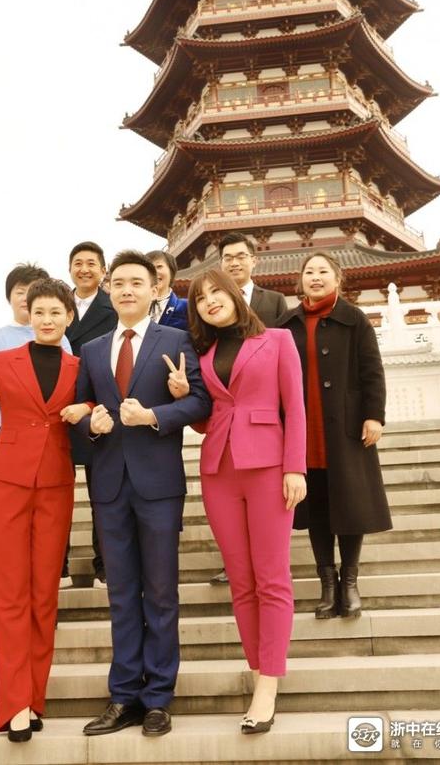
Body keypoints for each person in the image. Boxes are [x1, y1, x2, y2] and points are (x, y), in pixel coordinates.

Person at [75, 250, 211, 738]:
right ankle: (123, 696)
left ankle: (157, 698)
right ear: (109, 291)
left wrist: (157, 414)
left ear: (156, 289)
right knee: (120, 595)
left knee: (160, 592)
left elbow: (201, 402)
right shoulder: (92, 350)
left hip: (158, 486)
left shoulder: (176, 340)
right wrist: (90, 425)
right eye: (119, 283)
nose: (127, 290)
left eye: (137, 282)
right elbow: (80, 411)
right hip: (109, 485)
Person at [0, 278, 91, 742]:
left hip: (55, 483)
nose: (47, 320)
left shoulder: (78, 365)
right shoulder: (4, 359)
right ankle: (13, 705)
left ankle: (34, 698)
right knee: (11, 594)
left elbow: (94, 403)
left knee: (44, 596)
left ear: (69, 317)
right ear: (28, 315)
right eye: (39, 312)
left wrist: (86, 407)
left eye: (56, 312)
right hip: (8, 483)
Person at [175, 268, 306, 734]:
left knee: (272, 579)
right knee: (241, 582)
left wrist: (295, 467)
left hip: (269, 465)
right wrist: (183, 394)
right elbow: (208, 418)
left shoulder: (277, 340)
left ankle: (267, 685)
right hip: (219, 470)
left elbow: (295, 405)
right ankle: (257, 671)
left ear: (234, 294)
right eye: (200, 298)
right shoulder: (203, 353)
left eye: (216, 292)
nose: (210, 301)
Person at [278, 253, 392, 620]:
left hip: (347, 427)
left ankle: (350, 582)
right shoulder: (286, 324)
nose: (315, 277)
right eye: (309, 271)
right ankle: (327, 583)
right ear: (300, 280)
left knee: (351, 503)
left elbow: (372, 370)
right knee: (317, 507)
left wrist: (374, 415)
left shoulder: (354, 319)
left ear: (337, 278)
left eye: (323, 271)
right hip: (304, 430)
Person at [210, 232, 289, 585]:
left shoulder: (273, 302)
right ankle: (234, 563)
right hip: (226, 423)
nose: (234, 262)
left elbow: (286, 366)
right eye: (227, 257)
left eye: (241, 256)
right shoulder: (212, 306)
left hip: (265, 420)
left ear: (254, 260)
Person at [0, 263, 72, 497]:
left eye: (32, 290)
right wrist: (8, 426)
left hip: (49, 444)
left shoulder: (61, 339)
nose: (26, 297)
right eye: (20, 291)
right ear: (9, 297)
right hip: (5, 440)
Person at [61, 241, 117, 588]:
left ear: (103, 270)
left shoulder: (113, 307)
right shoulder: (56, 305)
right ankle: (59, 566)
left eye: (91, 263)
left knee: (103, 495)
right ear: (69, 269)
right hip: (60, 410)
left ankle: (105, 566)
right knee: (57, 496)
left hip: (99, 407)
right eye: (78, 263)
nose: (84, 269)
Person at [146, 250, 188, 329]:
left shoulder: (186, 307)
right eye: (149, 268)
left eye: (159, 266)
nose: (154, 272)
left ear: (171, 271)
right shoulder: (136, 310)